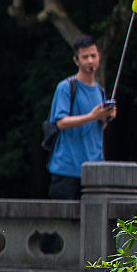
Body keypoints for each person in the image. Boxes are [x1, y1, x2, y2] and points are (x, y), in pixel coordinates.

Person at [46, 34, 116, 199]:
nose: (90, 61)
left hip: (94, 170)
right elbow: (61, 122)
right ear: (76, 60)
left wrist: (107, 117)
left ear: (99, 57)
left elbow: (98, 127)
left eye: (93, 55)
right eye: (85, 57)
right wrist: (92, 116)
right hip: (66, 169)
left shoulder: (100, 91)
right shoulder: (66, 87)